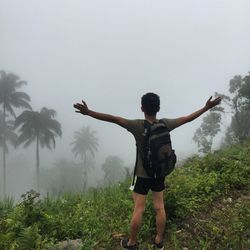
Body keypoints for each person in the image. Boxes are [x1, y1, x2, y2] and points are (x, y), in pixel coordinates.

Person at [73, 93, 221, 250]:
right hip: (159, 173)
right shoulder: (165, 124)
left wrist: (89, 113)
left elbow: (115, 119)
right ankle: (158, 242)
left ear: (142, 108)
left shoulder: (137, 126)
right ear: (158, 108)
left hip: (141, 175)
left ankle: (132, 243)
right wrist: (206, 107)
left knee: (138, 208)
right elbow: (186, 118)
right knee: (159, 207)